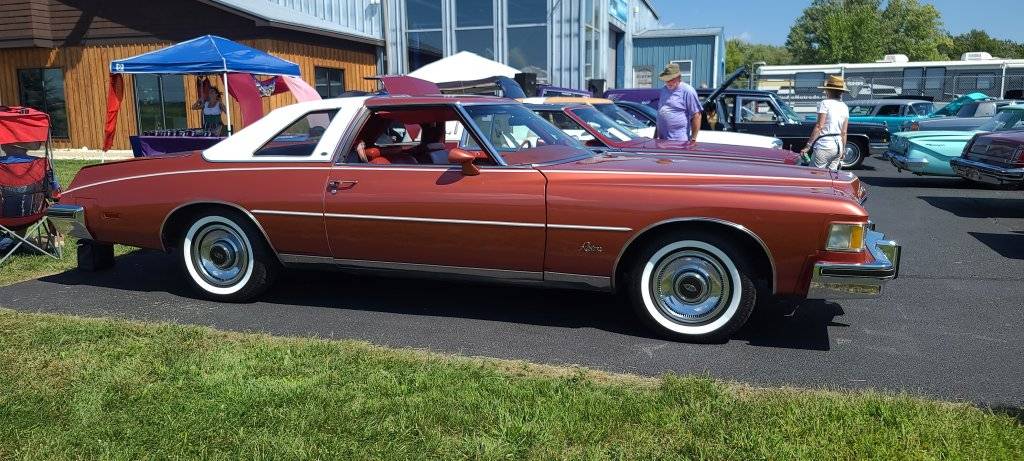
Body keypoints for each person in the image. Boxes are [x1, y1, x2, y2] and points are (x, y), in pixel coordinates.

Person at [801, 75, 849, 170]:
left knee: (816, 175)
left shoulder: (825, 103)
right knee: (832, 176)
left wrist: (808, 146)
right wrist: (843, 150)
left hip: (825, 145)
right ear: (841, 92)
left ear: (828, 91)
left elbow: (819, 126)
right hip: (838, 147)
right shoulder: (844, 106)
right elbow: (844, 132)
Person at [655, 63, 702, 144]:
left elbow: (696, 115)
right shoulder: (663, 90)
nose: (668, 82)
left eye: (671, 79)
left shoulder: (688, 91)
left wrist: (693, 139)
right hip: (662, 141)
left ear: (679, 78)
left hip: (679, 142)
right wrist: (655, 136)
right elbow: (660, 113)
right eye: (666, 80)